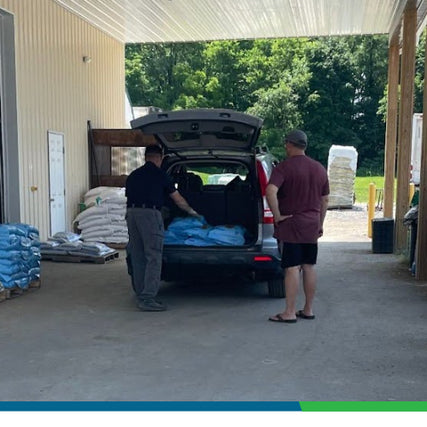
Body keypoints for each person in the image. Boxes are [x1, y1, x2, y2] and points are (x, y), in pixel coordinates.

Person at [125, 144, 200, 312]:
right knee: (153, 255)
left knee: (138, 255)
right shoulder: (161, 176)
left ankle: (140, 292)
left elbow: (131, 196)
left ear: (146, 157)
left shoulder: (133, 175)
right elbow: (177, 199)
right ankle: (148, 298)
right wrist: (191, 211)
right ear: (160, 158)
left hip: (131, 214)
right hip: (150, 216)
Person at [265, 130, 329, 323]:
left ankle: (289, 312)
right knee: (309, 266)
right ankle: (308, 309)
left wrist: (277, 216)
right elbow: (325, 199)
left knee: (292, 268)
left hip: (292, 223)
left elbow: (270, 190)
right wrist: (320, 223)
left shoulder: (284, 168)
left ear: (289, 144)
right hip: (311, 224)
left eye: (286, 143)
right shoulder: (319, 168)